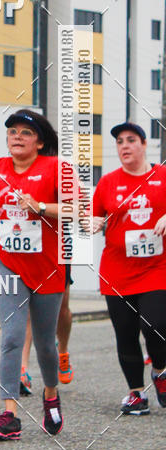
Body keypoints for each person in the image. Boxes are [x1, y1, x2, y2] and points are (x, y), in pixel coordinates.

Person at [0, 109, 66, 440]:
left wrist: (40, 207)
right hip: (8, 262)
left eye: (25, 132)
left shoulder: (56, 169)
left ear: (39, 142)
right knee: (11, 336)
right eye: (12, 131)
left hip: (48, 268)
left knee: (45, 345)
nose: (16, 136)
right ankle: (9, 414)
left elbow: (77, 207)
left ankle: (51, 394)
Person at [90, 122, 166, 415]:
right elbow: (93, 218)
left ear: (144, 145)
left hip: (156, 268)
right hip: (117, 273)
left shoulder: (161, 176)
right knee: (125, 333)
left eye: (131, 140)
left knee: (157, 326)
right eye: (120, 141)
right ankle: (135, 394)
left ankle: (159, 370)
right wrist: (93, 223)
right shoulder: (108, 182)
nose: (124, 145)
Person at [20, 266, 74, 396]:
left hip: (57, 252)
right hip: (29, 254)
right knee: (28, 310)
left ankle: (62, 353)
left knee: (62, 308)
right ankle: (22, 370)